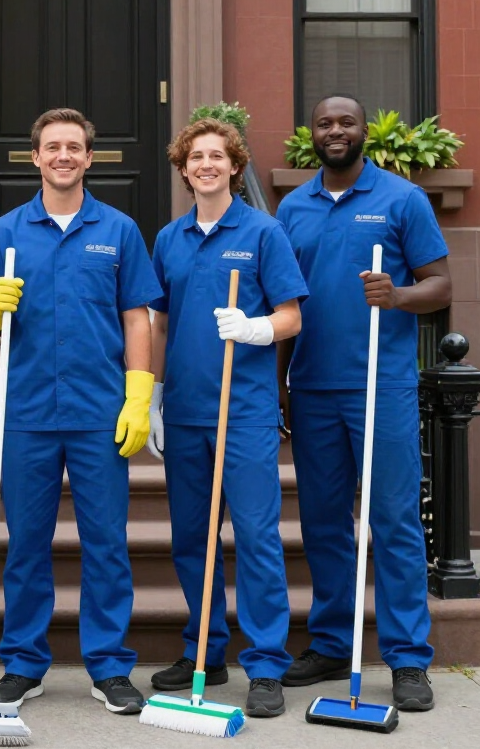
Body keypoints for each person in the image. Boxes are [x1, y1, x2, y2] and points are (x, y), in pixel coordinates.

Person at [0, 108, 163, 716]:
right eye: (52, 146)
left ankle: (108, 666)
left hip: (101, 409)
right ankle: (24, 664)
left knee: (106, 541)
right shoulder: (6, 231)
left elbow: (137, 314)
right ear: (35, 157)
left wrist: (140, 393)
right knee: (26, 543)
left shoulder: (120, 229)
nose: (63, 156)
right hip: (27, 410)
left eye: (74, 147)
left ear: (87, 157)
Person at [276, 94, 452, 712]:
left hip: (383, 385)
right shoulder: (292, 206)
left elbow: (441, 284)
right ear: (312, 134)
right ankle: (330, 642)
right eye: (325, 122)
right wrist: (278, 388)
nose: (336, 131)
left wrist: (398, 296)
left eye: (346, 121)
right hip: (313, 387)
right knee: (324, 524)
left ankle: (407, 659)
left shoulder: (401, 198)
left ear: (364, 130)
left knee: (394, 521)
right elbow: (283, 304)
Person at [147, 118, 307, 718]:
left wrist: (257, 328)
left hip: (244, 411)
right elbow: (160, 322)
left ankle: (265, 663)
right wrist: (158, 395)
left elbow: (292, 315)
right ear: (184, 168)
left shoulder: (263, 232)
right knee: (193, 539)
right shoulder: (169, 238)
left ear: (235, 166)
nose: (207, 165)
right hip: (187, 410)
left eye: (218, 156)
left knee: (259, 537)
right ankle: (206, 654)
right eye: (196, 157)